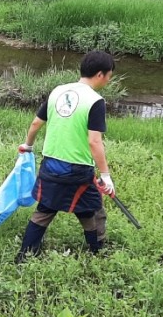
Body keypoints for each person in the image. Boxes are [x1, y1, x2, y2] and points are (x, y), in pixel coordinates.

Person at [16, 50, 116, 262]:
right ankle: (98, 254)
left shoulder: (58, 91)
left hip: (51, 165)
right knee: (92, 207)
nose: (108, 80)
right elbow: (94, 141)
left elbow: (36, 123)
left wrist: (27, 145)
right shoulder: (95, 101)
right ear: (100, 74)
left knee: (45, 209)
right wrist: (105, 176)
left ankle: (24, 256)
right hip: (78, 170)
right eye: (109, 76)